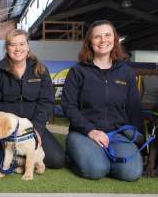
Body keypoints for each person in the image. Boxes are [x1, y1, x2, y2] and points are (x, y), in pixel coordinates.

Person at [61, 20, 144, 181]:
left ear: (115, 39)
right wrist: (90, 130)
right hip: (84, 132)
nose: (103, 40)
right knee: (96, 170)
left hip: (118, 133)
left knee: (131, 173)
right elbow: (68, 106)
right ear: (89, 42)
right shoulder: (78, 71)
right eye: (97, 37)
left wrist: (141, 144)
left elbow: (134, 108)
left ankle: (103, 157)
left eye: (107, 35)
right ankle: (78, 155)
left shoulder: (126, 72)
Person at [0, 29, 65, 170]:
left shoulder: (41, 71)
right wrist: (3, 132)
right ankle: (22, 160)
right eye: (13, 45)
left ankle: (19, 159)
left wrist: (37, 129)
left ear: (27, 46)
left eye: (22, 44)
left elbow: (46, 102)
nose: (18, 49)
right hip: (4, 128)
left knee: (57, 160)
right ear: (7, 48)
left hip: (31, 127)